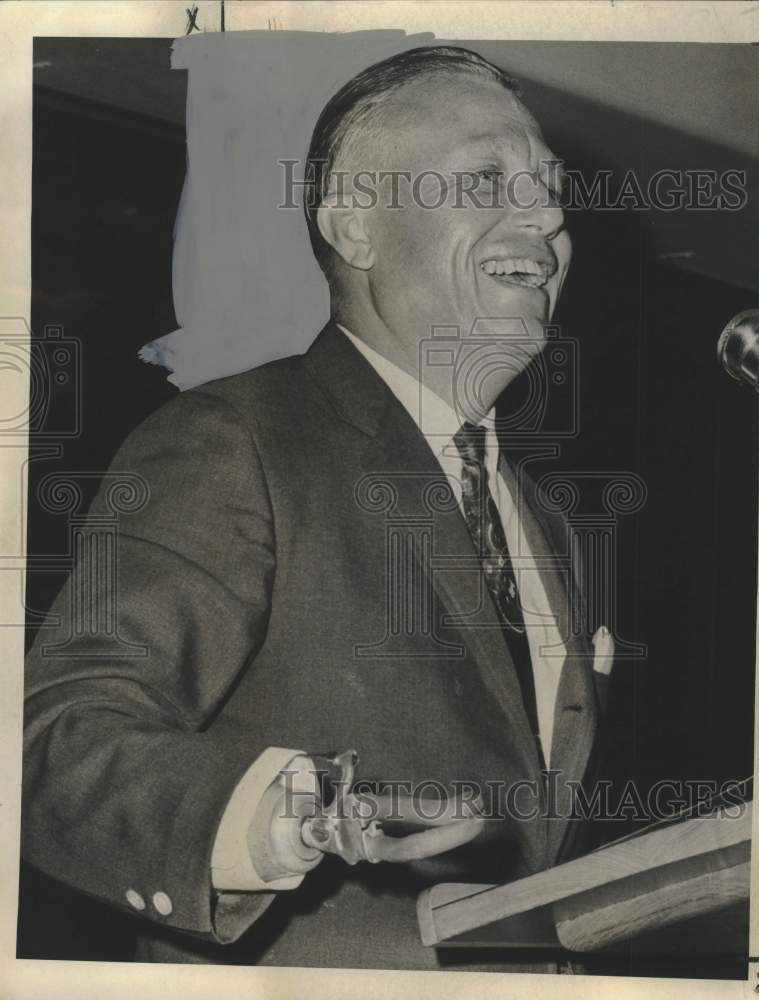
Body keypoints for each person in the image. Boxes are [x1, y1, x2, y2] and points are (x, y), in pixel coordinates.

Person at [22, 45, 607, 971]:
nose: (547, 214)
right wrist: (302, 809)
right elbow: (52, 743)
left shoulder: (551, 527)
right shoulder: (235, 437)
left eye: (550, 188)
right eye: (489, 177)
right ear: (356, 225)